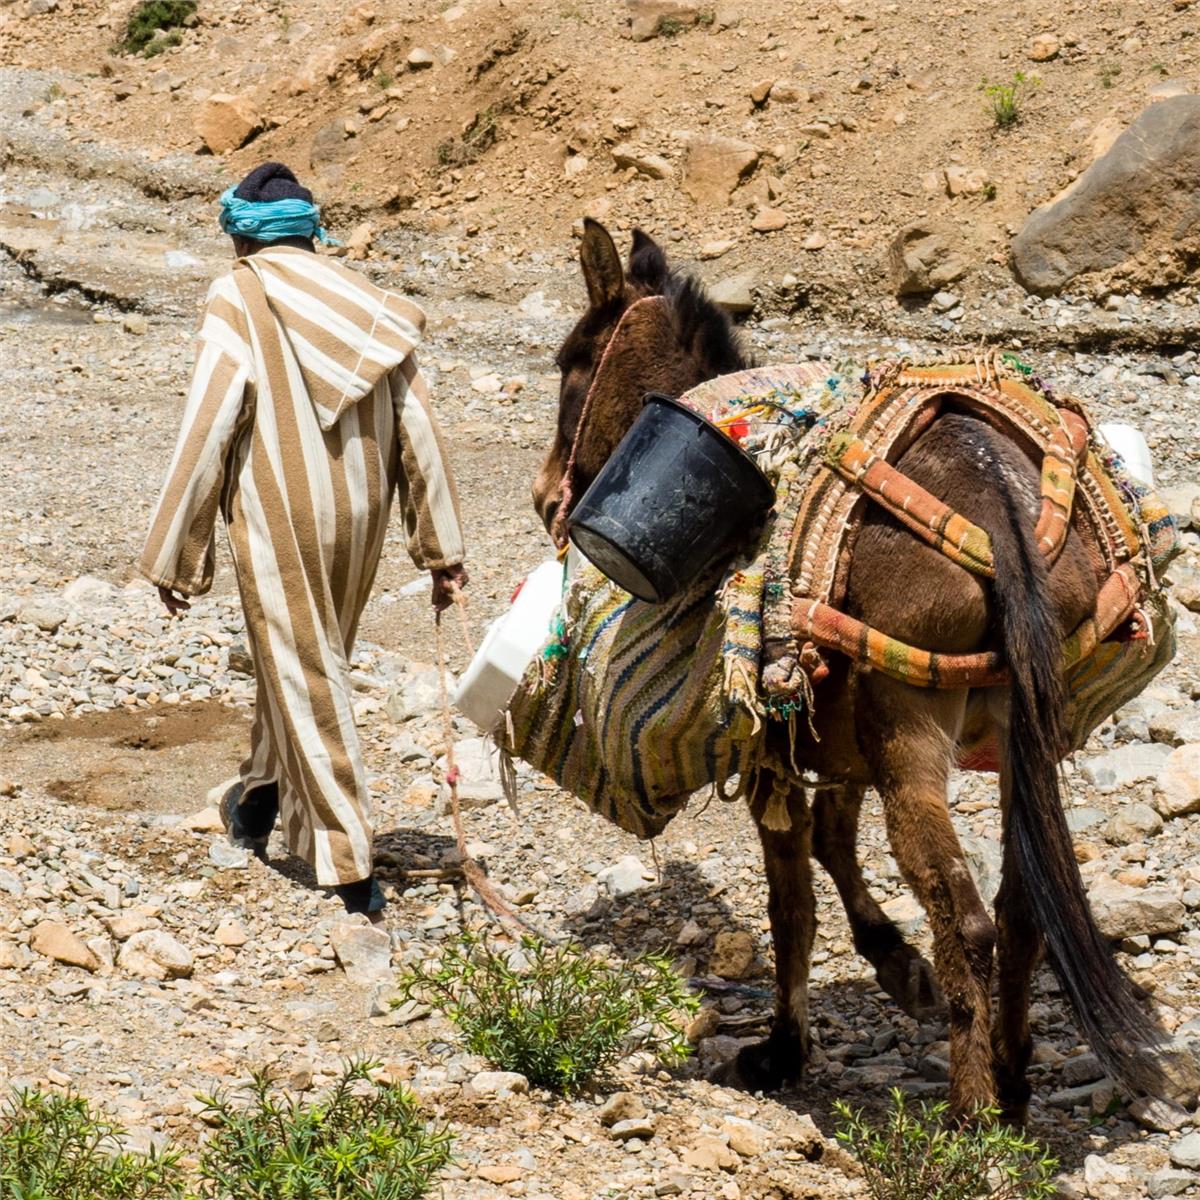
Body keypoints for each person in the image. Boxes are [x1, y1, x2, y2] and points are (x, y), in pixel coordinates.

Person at [139, 162, 468, 918]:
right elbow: (418, 427)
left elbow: (209, 423)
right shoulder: (370, 306)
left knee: (307, 671)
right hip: (362, 515)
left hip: (278, 511)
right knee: (301, 655)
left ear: (240, 238)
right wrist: (440, 548)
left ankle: (350, 867)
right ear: (312, 234)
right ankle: (259, 798)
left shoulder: (239, 295)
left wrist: (176, 555)